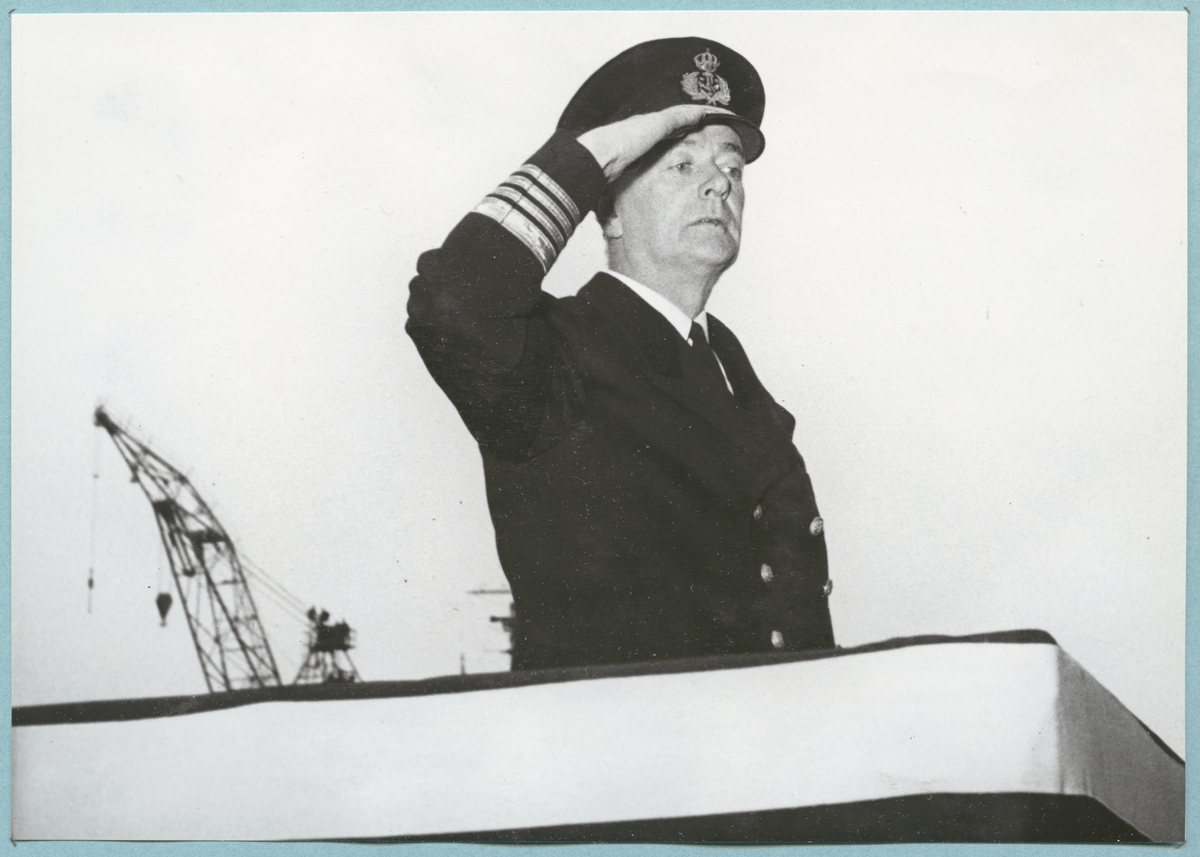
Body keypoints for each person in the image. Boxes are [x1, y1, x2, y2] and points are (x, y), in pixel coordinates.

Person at [407, 37, 834, 671]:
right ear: (607, 212)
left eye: (733, 168)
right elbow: (450, 302)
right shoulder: (554, 356)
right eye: (680, 166)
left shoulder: (740, 387)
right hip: (611, 729)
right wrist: (591, 157)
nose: (719, 184)